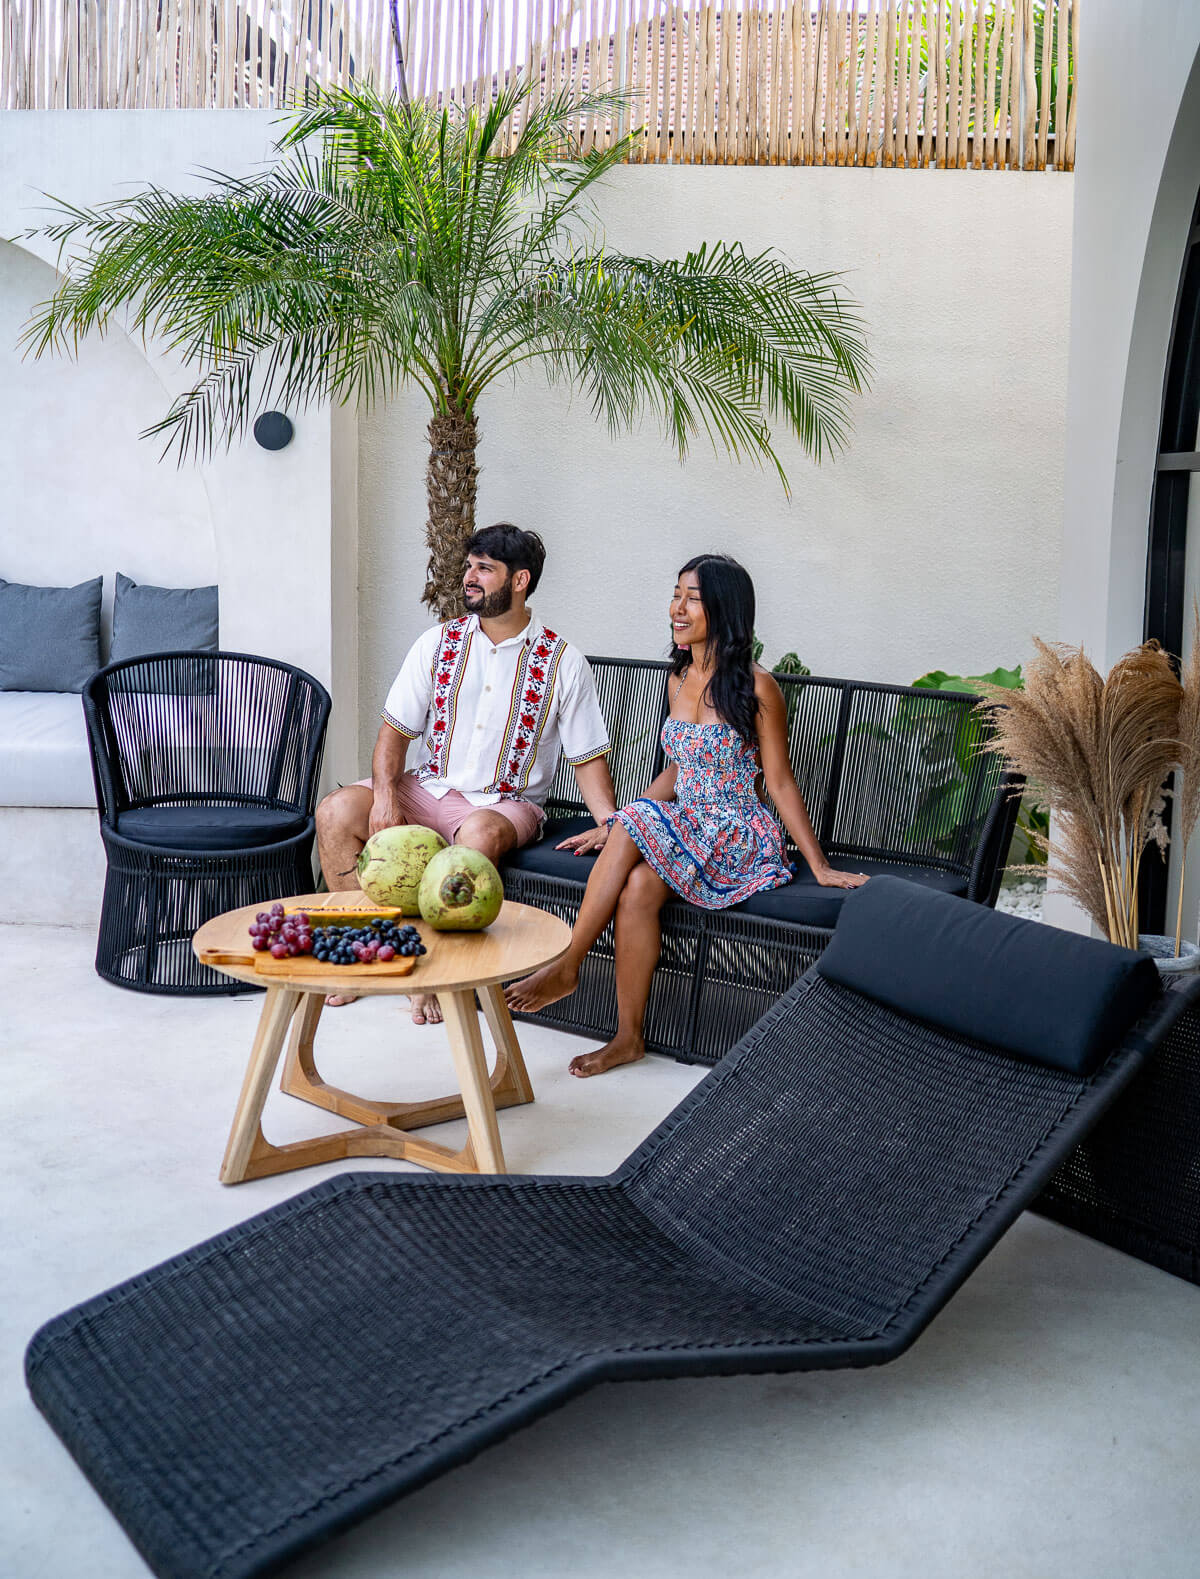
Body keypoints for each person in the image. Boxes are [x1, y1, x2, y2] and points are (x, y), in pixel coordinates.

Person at [506, 553, 868, 1077]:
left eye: (691, 599)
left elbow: (780, 782)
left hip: (737, 834)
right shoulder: (678, 678)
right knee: (637, 887)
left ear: (724, 608)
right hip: (689, 829)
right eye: (675, 595)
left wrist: (820, 866)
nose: (676, 608)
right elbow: (677, 770)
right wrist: (619, 826)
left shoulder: (757, 687)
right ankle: (627, 1038)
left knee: (633, 821)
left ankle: (568, 964)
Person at [316, 523, 618, 1022]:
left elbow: (587, 757)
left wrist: (610, 821)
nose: (469, 577)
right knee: (335, 810)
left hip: (504, 804)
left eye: (484, 568)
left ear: (519, 580)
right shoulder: (438, 643)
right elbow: (394, 734)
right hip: (427, 787)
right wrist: (386, 797)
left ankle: (433, 975)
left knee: (477, 835)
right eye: (469, 566)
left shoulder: (563, 661)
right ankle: (364, 956)